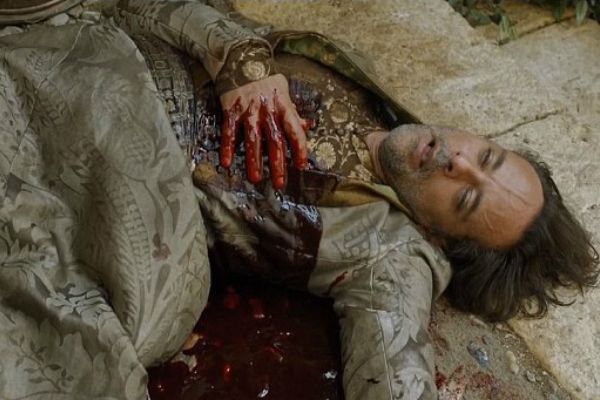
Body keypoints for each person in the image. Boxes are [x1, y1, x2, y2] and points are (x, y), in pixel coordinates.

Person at [0, 2, 596, 400]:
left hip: (123, 161)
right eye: (486, 157)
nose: (456, 160)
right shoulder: (374, 92)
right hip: (87, 36)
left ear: (440, 237)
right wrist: (239, 57)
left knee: (116, 335)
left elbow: (395, 375)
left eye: (463, 196)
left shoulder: (393, 256)